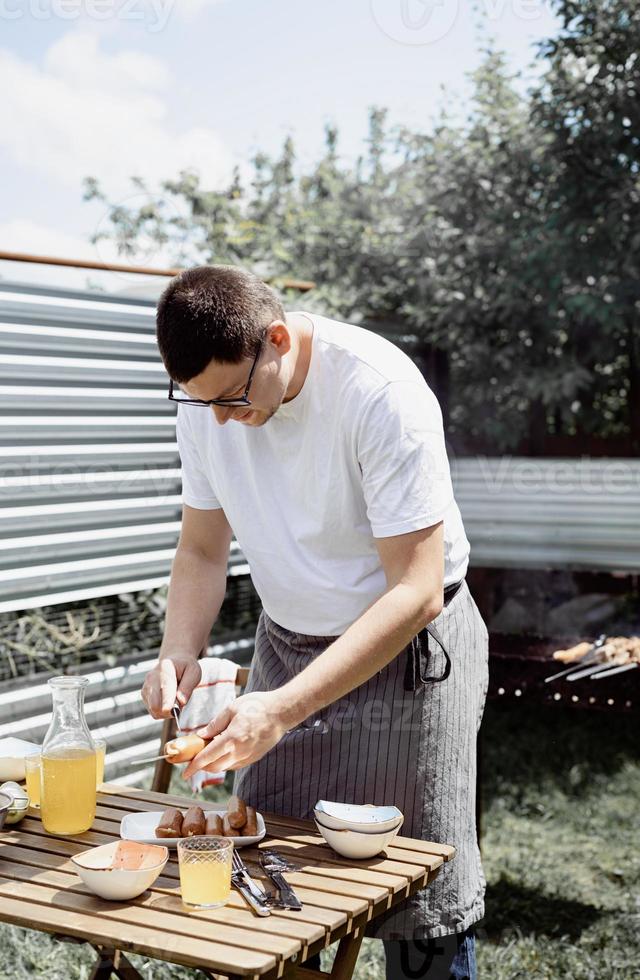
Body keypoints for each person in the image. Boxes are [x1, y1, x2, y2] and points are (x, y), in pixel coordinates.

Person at [141, 265, 488, 979]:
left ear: (276, 338)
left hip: (409, 655)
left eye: (233, 398)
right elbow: (203, 548)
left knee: (415, 896)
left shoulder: (379, 392)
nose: (220, 421)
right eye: (199, 402)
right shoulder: (211, 401)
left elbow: (416, 590)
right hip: (287, 646)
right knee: (256, 871)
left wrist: (281, 709)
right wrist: (180, 649)